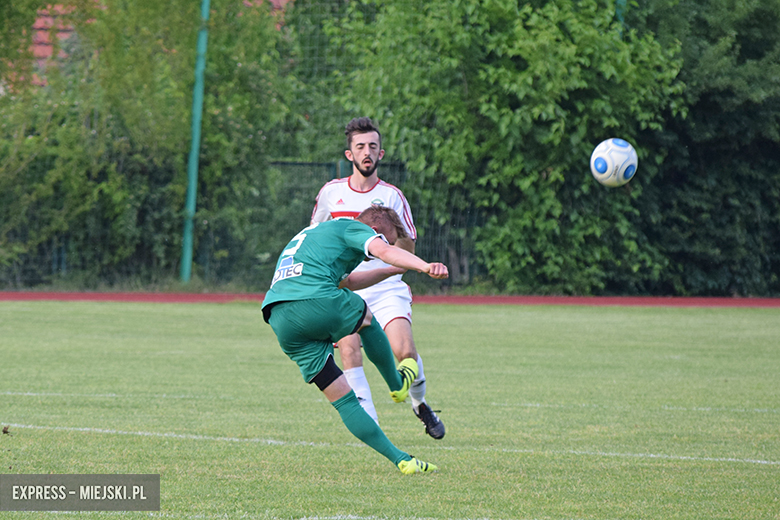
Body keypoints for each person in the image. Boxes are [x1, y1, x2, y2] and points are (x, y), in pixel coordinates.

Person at [261, 206, 448, 474]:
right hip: (314, 299)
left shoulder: (318, 234)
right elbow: (384, 252)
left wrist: (390, 271)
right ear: (374, 230)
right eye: (385, 239)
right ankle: (397, 386)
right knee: (365, 315)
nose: (384, 247)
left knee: (343, 399)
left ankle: (402, 460)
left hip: (280, 318)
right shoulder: (353, 226)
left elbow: (347, 282)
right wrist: (424, 266)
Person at [310, 117, 446, 439]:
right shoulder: (331, 193)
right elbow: (314, 237)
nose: (367, 152)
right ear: (349, 154)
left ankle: (419, 403)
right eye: (360, 147)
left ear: (381, 153)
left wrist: (400, 256)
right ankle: (372, 429)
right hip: (345, 288)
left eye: (372, 146)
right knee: (349, 352)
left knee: (404, 352)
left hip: (385, 286)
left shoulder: (392, 196)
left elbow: (407, 246)